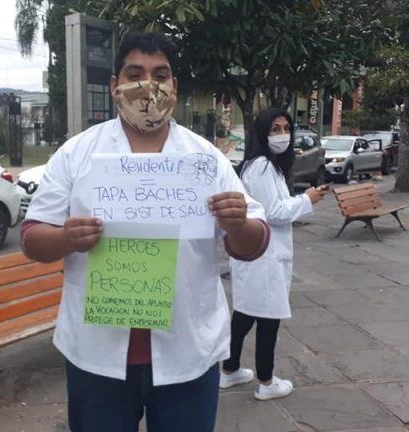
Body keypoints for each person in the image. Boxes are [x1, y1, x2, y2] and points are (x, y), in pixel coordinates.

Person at [19, 33, 269, 432]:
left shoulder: (204, 159)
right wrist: (66, 239)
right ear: (115, 84)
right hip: (97, 352)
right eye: (135, 74)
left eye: (160, 74)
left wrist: (238, 223)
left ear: (175, 87)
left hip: (188, 348)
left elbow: (252, 246)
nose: (148, 84)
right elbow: (32, 239)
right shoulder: (78, 153)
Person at [220, 108, 326, 400]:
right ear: (262, 133)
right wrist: (308, 199)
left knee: (245, 315)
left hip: (257, 256)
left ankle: (229, 370)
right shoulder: (263, 167)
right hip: (264, 255)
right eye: (274, 129)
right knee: (268, 318)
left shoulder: (259, 165)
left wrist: (300, 200)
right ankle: (266, 383)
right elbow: (275, 212)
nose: (282, 135)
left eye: (285, 128)